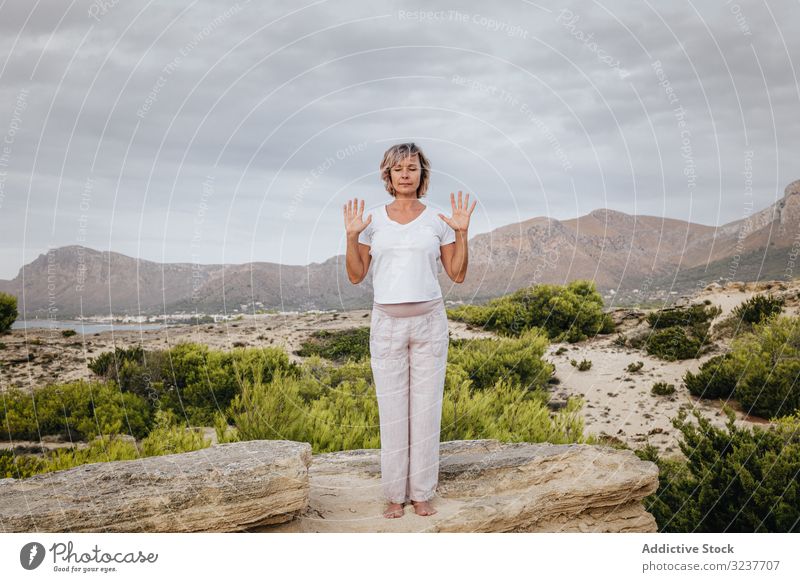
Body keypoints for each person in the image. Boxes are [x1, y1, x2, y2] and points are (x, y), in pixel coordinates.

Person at [343, 142, 476, 519]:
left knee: (426, 409)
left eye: (412, 168)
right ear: (388, 175)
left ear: (422, 174)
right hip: (387, 325)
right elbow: (355, 275)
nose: (405, 174)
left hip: (429, 324)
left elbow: (458, 273)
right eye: (398, 168)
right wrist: (352, 237)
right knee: (393, 410)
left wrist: (462, 233)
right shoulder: (371, 221)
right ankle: (393, 494)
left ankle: (421, 493)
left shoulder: (438, 220)